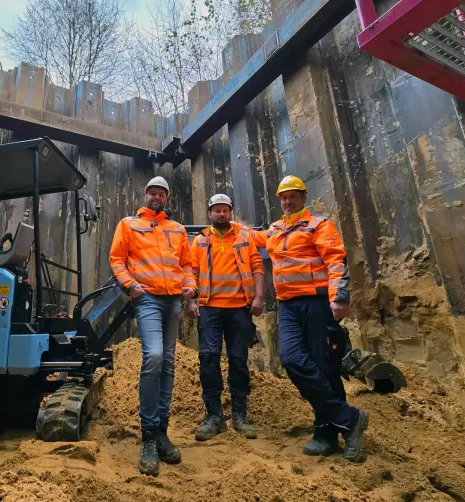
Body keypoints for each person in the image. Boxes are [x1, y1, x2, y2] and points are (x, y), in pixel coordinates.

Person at [251, 175, 369, 462]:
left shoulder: (319, 225)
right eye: (283, 197)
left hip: (317, 303)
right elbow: (249, 236)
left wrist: (338, 298)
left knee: (325, 367)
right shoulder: (275, 229)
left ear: (303, 197)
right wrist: (224, 225)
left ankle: (326, 433)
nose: (287, 201)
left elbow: (335, 261)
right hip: (288, 306)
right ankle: (350, 418)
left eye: (292, 196)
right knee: (292, 360)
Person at [109, 176, 197, 476]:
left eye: (161, 193)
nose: (156, 197)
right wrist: (130, 286)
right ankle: (147, 436)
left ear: (166, 197)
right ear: (145, 194)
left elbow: (187, 265)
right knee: (155, 357)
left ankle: (161, 432)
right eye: (152, 192)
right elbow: (117, 260)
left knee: (169, 363)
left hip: (173, 301)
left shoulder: (177, 229)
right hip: (146, 300)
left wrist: (190, 287)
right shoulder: (128, 224)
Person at [187, 194, 265, 441]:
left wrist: (259, 298)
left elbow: (257, 267)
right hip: (209, 308)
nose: (221, 214)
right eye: (216, 211)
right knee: (208, 358)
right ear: (209, 213)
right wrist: (190, 300)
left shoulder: (244, 237)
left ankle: (240, 415)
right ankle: (214, 416)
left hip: (239, 308)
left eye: (225, 210)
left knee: (238, 359)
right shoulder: (199, 241)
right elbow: (190, 271)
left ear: (230, 212)